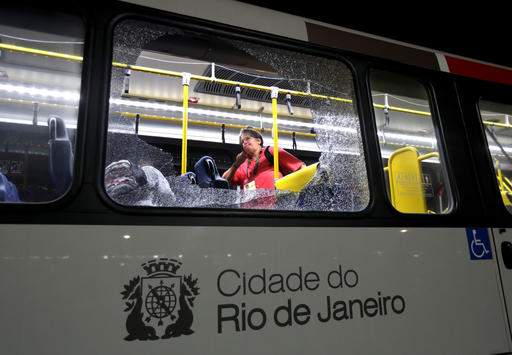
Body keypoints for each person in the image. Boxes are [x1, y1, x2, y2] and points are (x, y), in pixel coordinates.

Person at [222, 127, 305, 190]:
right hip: (250, 210)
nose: (244, 142)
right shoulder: (242, 164)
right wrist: (236, 164)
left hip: (275, 206)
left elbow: (301, 167)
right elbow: (224, 181)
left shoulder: (271, 151)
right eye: (242, 141)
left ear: (259, 141)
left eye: (247, 138)